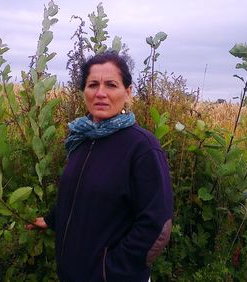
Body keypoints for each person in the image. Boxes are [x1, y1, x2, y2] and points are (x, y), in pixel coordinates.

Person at [28, 51, 173, 282]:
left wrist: (111, 271)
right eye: (93, 84)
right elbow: (79, 194)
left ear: (127, 92)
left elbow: (157, 225)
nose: (100, 93)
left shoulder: (142, 147)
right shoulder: (82, 139)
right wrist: (51, 220)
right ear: (83, 91)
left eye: (111, 85)